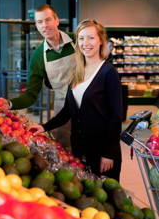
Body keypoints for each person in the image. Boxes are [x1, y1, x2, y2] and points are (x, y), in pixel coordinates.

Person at [30, 19, 123, 181]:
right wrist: (44, 127)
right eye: (81, 38)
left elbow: (116, 116)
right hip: (80, 149)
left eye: (91, 38)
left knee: (105, 200)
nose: (85, 43)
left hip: (102, 151)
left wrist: (109, 153)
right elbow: (67, 111)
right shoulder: (77, 72)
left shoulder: (109, 73)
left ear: (101, 40)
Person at [8, 4, 76, 147]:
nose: (44, 25)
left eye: (48, 20)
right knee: (66, 150)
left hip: (90, 104)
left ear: (56, 20)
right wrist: (9, 104)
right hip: (62, 111)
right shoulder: (38, 56)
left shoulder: (77, 40)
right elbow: (31, 95)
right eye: (39, 22)